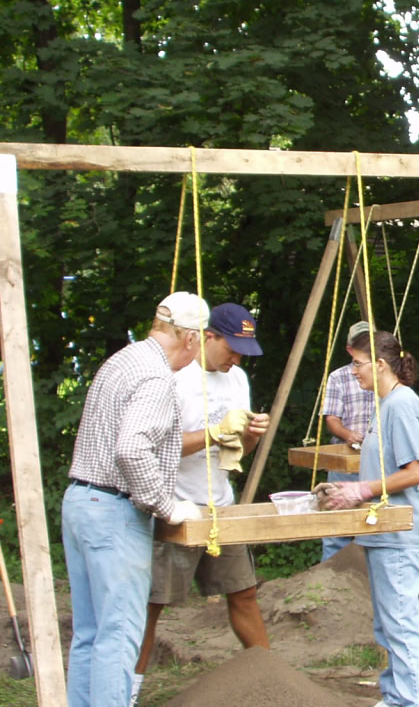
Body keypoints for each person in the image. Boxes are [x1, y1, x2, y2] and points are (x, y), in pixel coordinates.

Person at [62, 291, 209, 707]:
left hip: (81, 502)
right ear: (191, 339)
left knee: (90, 633)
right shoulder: (156, 376)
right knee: (119, 634)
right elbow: (131, 448)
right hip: (114, 511)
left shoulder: (123, 360)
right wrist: (165, 504)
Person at [132, 303, 271, 705]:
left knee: (243, 592)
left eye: (244, 350)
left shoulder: (238, 379)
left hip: (220, 505)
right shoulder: (175, 378)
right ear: (208, 337)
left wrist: (252, 435)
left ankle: (270, 684)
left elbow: (239, 451)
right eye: (232, 347)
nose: (237, 358)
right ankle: (126, 693)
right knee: (152, 605)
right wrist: (212, 432)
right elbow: (156, 447)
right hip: (173, 506)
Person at [318, 330, 419, 707]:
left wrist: (361, 490)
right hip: (382, 533)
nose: (353, 371)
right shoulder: (384, 405)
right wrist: (346, 492)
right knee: (388, 624)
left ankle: (414, 701)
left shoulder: (400, 405)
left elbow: (415, 472)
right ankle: (396, 696)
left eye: (358, 363)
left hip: (398, 535)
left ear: (381, 365)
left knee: (400, 624)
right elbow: (380, 474)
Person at [319, 319, 375, 562]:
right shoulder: (338, 377)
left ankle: (365, 578)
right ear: (349, 348)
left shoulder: (385, 375)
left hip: (376, 459)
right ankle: (330, 579)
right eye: (359, 343)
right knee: (337, 520)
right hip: (345, 458)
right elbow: (331, 418)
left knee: (374, 519)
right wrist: (348, 434)